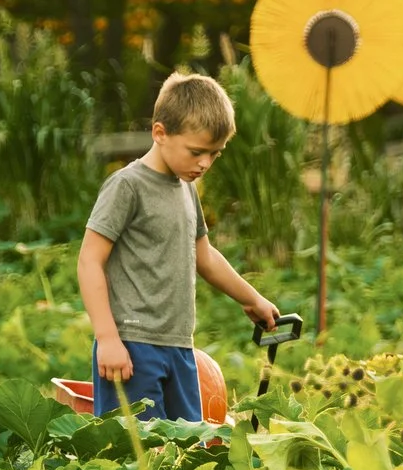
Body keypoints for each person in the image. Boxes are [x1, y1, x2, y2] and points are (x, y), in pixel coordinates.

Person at [78, 72, 278, 421]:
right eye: (196, 152)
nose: (204, 163)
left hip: (179, 346)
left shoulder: (185, 188)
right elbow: (89, 261)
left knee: (187, 452)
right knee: (136, 453)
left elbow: (205, 256)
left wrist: (252, 298)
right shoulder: (127, 186)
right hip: (132, 344)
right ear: (160, 133)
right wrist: (107, 338)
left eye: (214, 154)